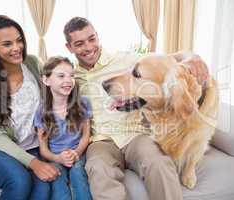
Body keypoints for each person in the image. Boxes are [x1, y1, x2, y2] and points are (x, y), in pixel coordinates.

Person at [63, 16, 209, 200]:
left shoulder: (125, 60)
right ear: (69, 47)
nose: (89, 47)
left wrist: (191, 56)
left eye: (92, 39)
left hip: (135, 134)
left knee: (159, 163)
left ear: (97, 36)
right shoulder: (70, 76)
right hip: (101, 140)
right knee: (98, 168)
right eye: (79, 43)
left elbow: (168, 59)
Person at [0, 15, 60, 200]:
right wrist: (34, 163)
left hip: (33, 147)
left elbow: (57, 88)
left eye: (19, 40)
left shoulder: (33, 64)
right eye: (7, 44)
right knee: (20, 181)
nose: (17, 48)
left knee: (43, 192)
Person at [33, 56, 93, 200]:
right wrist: (57, 158)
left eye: (71, 76)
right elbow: (43, 149)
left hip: (78, 153)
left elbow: (86, 136)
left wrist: (76, 153)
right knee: (58, 180)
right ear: (46, 80)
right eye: (61, 76)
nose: (68, 80)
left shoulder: (82, 103)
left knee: (78, 173)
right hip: (55, 156)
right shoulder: (42, 111)